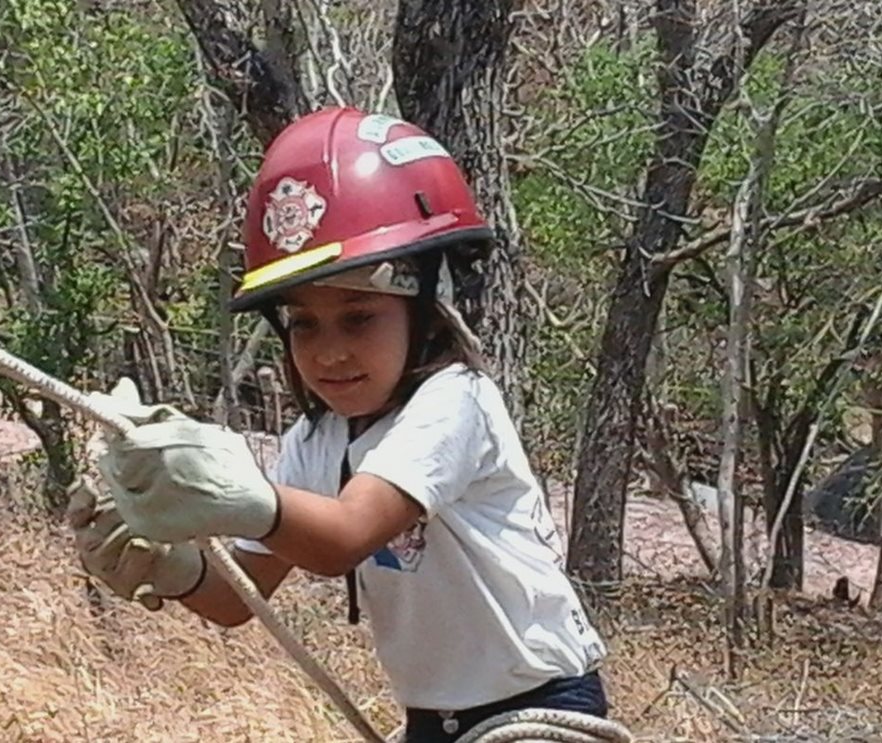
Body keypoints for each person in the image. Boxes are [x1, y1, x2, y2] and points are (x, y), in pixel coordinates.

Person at [67, 107, 611, 742]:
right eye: (304, 324)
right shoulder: (317, 442)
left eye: (358, 318)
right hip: (434, 722)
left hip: (536, 710)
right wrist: (166, 565)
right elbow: (237, 597)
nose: (329, 353)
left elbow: (347, 535)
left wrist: (240, 495)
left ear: (427, 309)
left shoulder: (456, 403)